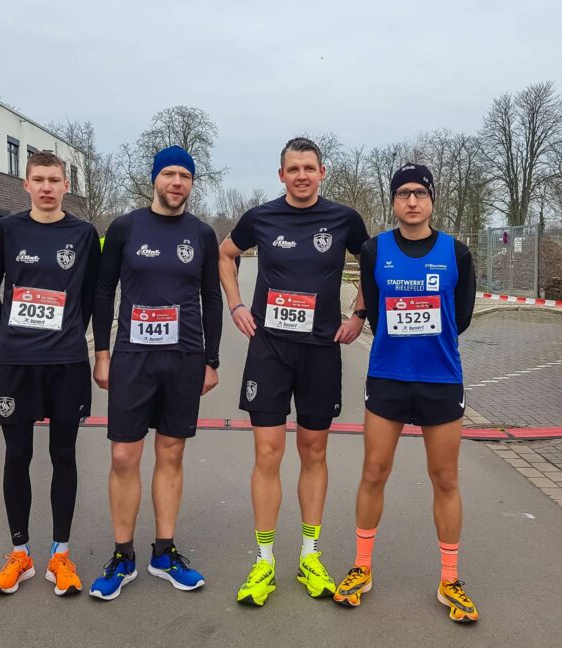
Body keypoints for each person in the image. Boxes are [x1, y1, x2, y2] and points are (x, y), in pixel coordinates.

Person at [218, 137, 369, 606]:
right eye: (292, 168)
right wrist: (236, 304)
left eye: (309, 167)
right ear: (280, 175)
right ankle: (264, 561)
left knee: (314, 450)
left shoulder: (344, 219)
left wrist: (358, 314)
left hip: (321, 351)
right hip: (270, 351)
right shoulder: (260, 217)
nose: (301, 175)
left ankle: (310, 553)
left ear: (323, 172)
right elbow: (225, 254)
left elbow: (375, 262)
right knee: (267, 452)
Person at [332, 163, 478, 623]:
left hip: (440, 380)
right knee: (374, 471)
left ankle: (450, 579)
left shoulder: (456, 252)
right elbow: (370, 306)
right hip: (389, 378)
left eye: (420, 193)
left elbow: (464, 315)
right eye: (403, 194)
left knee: (445, 477)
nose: (412, 201)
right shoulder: (375, 251)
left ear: (432, 200)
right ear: (393, 201)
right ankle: (361, 568)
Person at [88, 146, 222, 600]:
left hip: (183, 358)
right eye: (169, 173)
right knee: (124, 457)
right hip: (132, 357)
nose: (177, 181)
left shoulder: (201, 234)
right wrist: (102, 352)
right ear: (154, 179)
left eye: (185, 174)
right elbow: (104, 291)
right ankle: (122, 556)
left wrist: (212, 359)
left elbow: (212, 297)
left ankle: (164, 553)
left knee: (171, 453)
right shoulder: (125, 227)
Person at [0, 150, 101, 596]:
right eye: (39, 179)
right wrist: (5, 333)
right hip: (17, 364)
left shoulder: (83, 234)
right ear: (25, 184)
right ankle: (21, 554)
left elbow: (90, 295)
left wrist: (72, 332)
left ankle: (61, 555)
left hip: (66, 363)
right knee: (17, 457)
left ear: (66, 186)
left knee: (64, 456)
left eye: (54, 179)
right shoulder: (8, 229)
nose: (47, 187)